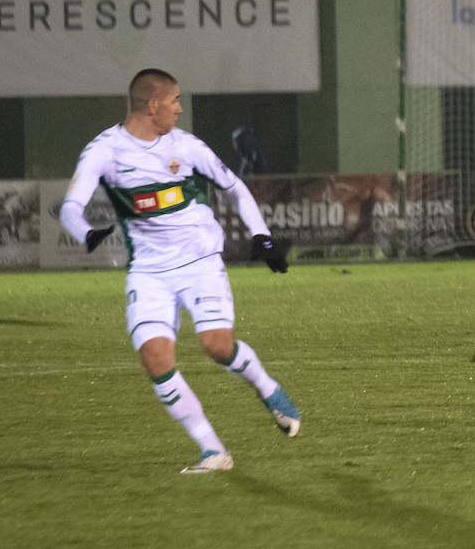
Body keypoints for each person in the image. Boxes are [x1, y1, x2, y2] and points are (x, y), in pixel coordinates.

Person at [59, 68, 302, 473]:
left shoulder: (185, 146)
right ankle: (213, 451)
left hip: (199, 259)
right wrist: (85, 233)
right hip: (149, 270)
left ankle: (268, 388)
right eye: (174, 100)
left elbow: (234, 187)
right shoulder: (105, 150)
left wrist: (262, 236)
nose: (179, 108)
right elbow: (70, 207)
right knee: (155, 359)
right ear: (153, 104)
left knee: (217, 347)